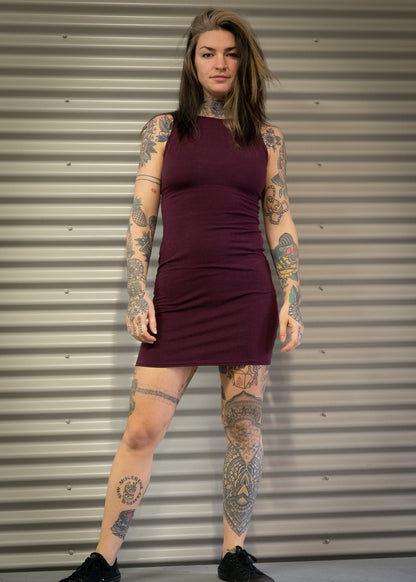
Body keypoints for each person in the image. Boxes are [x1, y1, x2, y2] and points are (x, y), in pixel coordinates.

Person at [59, 7, 303, 582]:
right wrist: (136, 292)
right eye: (207, 53)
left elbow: (279, 218)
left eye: (231, 53)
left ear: (245, 63)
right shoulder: (163, 130)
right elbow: (140, 216)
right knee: (141, 430)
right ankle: (103, 562)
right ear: (192, 63)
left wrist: (292, 293)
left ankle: (233, 557)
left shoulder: (267, 138)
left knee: (243, 428)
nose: (220, 63)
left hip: (246, 295)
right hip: (178, 296)